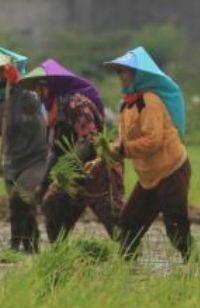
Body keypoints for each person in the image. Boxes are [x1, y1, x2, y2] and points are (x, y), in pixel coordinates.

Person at [20, 59, 124, 244]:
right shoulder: (54, 108)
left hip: (96, 172)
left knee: (114, 223)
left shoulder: (75, 103)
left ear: (50, 86)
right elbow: (56, 147)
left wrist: (64, 171)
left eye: (39, 88)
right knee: (52, 207)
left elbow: (89, 139)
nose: (38, 93)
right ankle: (59, 257)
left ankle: (131, 260)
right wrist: (45, 180)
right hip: (73, 177)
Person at [105, 46, 192, 261]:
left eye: (126, 72)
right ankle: (127, 268)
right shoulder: (126, 106)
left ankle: (192, 264)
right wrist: (108, 152)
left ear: (138, 75)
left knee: (175, 224)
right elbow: (123, 139)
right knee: (128, 223)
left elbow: (153, 140)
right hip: (148, 176)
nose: (122, 77)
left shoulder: (150, 101)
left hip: (172, 169)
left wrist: (123, 150)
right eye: (120, 72)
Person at [1, 48, 48, 253]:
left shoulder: (29, 95)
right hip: (12, 159)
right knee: (22, 206)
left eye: (3, 71)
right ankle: (31, 246)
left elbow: (34, 118)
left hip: (34, 159)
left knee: (19, 198)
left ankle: (14, 244)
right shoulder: (4, 99)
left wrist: (17, 84)